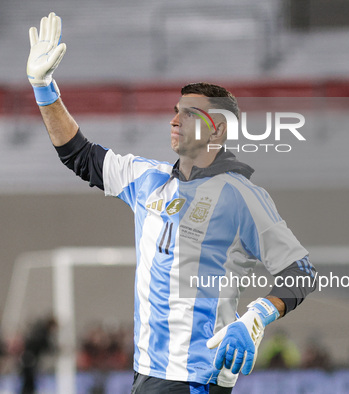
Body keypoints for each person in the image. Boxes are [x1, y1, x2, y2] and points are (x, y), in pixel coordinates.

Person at [26, 12, 317, 393]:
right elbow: (78, 154)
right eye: (175, 112)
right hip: (146, 373)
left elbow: (302, 272)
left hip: (197, 377)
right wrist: (44, 88)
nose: (175, 121)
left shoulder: (240, 195)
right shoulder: (147, 179)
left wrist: (256, 317)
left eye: (189, 114)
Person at [19, 316, 57, 394]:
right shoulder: (42, 334)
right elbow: (46, 346)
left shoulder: (38, 331)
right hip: (29, 360)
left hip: (28, 359)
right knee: (29, 383)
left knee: (29, 383)